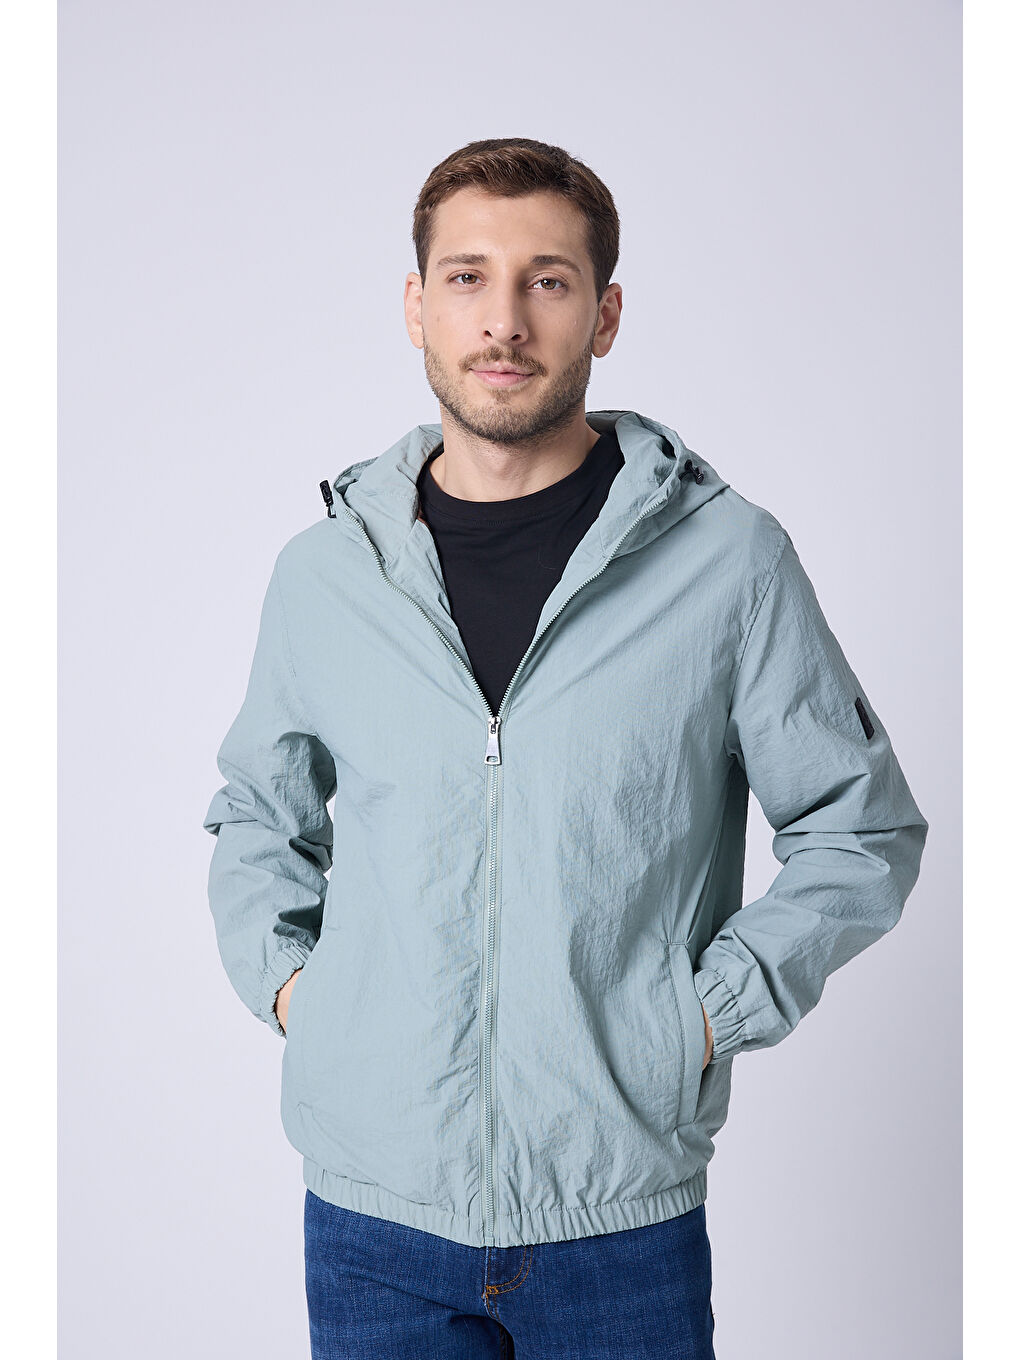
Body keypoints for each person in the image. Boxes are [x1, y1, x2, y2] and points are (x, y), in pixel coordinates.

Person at [202, 137, 928, 1359]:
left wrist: (698, 1020)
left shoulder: (727, 562)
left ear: (605, 313)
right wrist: (303, 999)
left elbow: (862, 828)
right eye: (467, 277)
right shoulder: (326, 575)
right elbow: (259, 816)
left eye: (547, 280)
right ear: (416, 306)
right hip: (373, 1217)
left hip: (618, 1217)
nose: (504, 320)